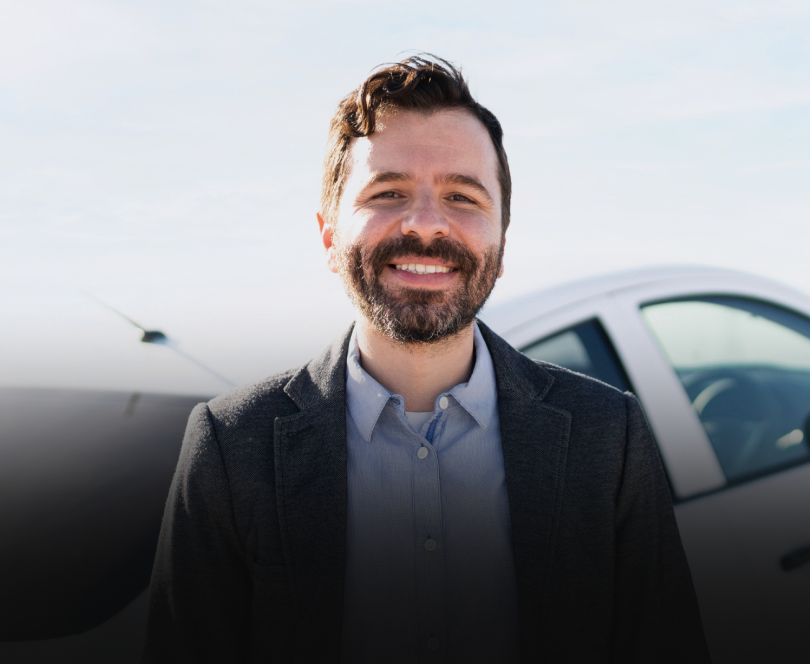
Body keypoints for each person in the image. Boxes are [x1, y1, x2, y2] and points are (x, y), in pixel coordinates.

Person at [142, 54, 710, 663]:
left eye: (463, 197)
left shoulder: (608, 437)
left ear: (501, 238)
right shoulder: (231, 448)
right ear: (329, 237)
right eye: (388, 192)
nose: (425, 225)